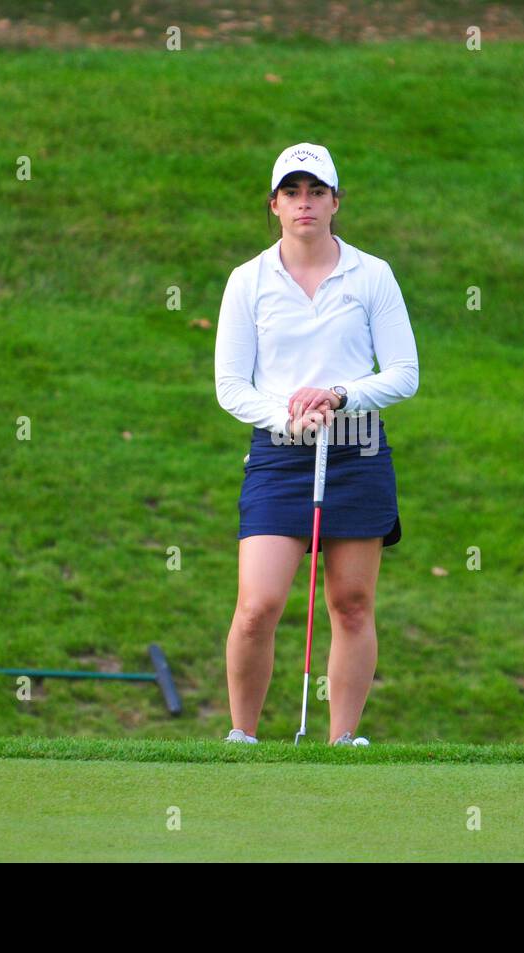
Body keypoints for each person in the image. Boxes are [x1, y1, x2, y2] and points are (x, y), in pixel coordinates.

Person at [214, 142, 419, 746]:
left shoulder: (372, 274)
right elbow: (230, 385)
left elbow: (403, 373)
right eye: (292, 193)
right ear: (274, 205)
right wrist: (288, 415)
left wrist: (337, 395)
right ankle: (242, 737)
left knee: (351, 604)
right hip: (280, 457)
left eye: (317, 192)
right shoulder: (248, 281)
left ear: (336, 202)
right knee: (258, 606)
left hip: (357, 451)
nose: (305, 203)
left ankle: (343, 742)